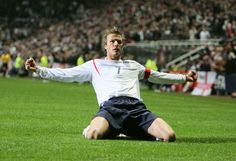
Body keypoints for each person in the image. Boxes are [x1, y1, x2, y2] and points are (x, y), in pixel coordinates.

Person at [25, 27, 197, 142]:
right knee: (93, 134)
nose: (116, 44)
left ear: (122, 46)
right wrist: (38, 70)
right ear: (105, 46)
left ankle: (122, 131)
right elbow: (66, 74)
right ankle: (103, 127)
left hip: (137, 110)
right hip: (111, 109)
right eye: (112, 41)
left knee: (170, 136)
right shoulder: (94, 65)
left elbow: (157, 76)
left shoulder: (133, 65)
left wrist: (184, 78)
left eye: (119, 41)